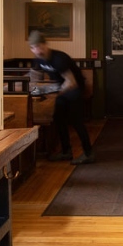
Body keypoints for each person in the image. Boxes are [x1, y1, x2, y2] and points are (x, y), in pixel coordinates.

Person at [28, 31, 94, 164]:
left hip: (75, 89)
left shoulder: (59, 58)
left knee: (76, 122)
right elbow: (34, 79)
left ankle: (89, 154)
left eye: (40, 46)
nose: (38, 50)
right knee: (59, 120)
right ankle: (66, 152)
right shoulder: (38, 60)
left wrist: (53, 94)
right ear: (31, 48)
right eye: (34, 47)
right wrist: (35, 92)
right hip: (61, 91)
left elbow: (71, 82)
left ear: (46, 45)